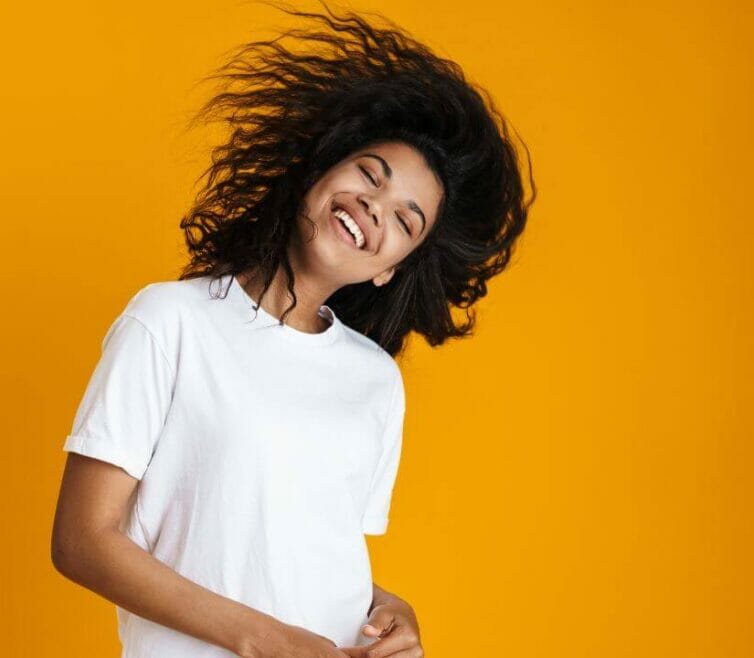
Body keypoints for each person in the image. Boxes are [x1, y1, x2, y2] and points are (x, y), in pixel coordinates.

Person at [51, 3, 535, 657]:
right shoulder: (170, 322)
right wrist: (262, 639)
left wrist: (391, 608)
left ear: (393, 268)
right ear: (319, 171)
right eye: (369, 174)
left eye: (405, 219)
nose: (373, 205)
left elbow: (301, 549)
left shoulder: (374, 379)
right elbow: (82, 541)